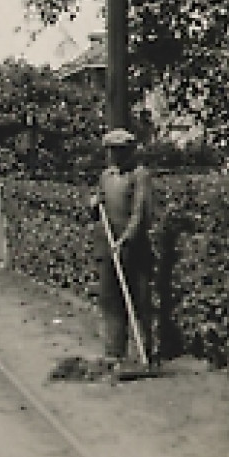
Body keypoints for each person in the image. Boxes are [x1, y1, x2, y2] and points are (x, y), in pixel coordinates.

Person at [89, 128, 155, 364]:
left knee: (139, 299)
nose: (115, 156)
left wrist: (125, 239)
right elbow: (97, 210)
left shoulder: (140, 175)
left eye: (120, 151)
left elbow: (140, 214)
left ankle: (143, 352)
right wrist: (94, 204)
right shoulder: (106, 177)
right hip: (108, 248)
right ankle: (114, 352)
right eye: (111, 151)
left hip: (134, 249)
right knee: (110, 299)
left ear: (130, 152)